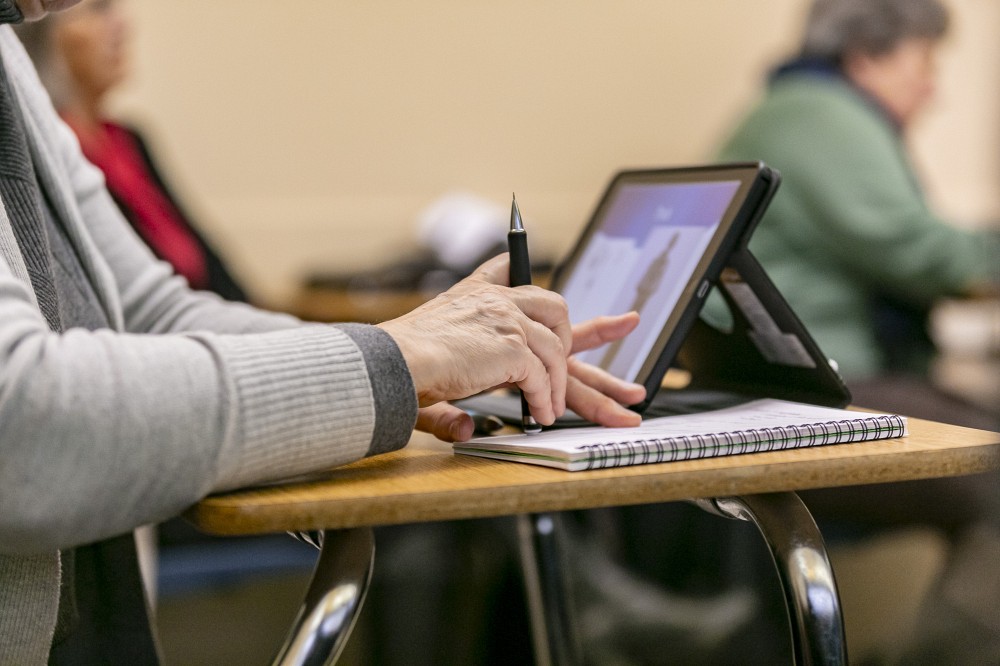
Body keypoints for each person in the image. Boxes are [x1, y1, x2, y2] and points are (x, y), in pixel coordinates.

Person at [0, 2, 648, 664]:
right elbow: (22, 429)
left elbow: (154, 312)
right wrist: (397, 357)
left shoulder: (10, 59)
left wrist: (409, 355)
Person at [714, 0, 1000, 424]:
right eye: (924, 63)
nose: (931, 89)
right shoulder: (821, 115)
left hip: (774, 369)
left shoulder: (791, 107)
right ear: (866, 57)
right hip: (820, 372)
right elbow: (916, 250)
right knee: (983, 442)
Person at [14, 0, 249, 302]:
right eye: (98, 8)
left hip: (198, 313)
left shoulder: (129, 138)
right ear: (43, 31)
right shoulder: (44, 152)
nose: (122, 25)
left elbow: (206, 257)